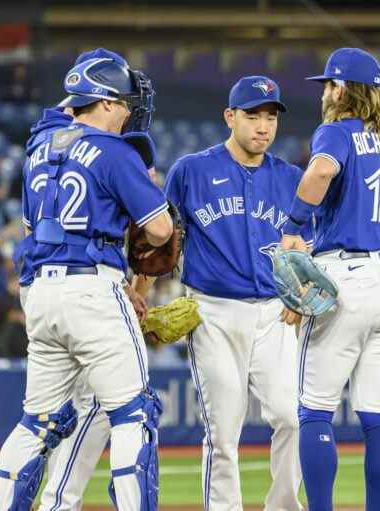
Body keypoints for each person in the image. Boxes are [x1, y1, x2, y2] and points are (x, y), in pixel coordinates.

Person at [0, 54, 172, 511]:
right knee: (134, 415)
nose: (129, 110)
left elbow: (33, 232)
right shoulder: (114, 151)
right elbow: (162, 231)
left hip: (41, 294)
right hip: (92, 289)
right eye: (124, 101)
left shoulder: (39, 149)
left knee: (37, 422)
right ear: (106, 102)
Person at [155, 75, 305, 511]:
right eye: (253, 115)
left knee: (292, 418)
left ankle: (283, 506)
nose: (264, 126)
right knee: (223, 432)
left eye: (271, 117)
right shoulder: (190, 170)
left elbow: (305, 248)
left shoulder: (291, 178)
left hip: (276, 313)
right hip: (214, 313)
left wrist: (300, 295)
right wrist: (140, 287)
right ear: (230, 117)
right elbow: (158, 242)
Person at [279, 48, 380, 511]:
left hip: (348, 273)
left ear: (341, 89)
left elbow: (320, 170)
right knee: (379, 414)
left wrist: (293, 229)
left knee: (314, 409)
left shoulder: (338, 132)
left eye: (328, 85)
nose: (324, 92)